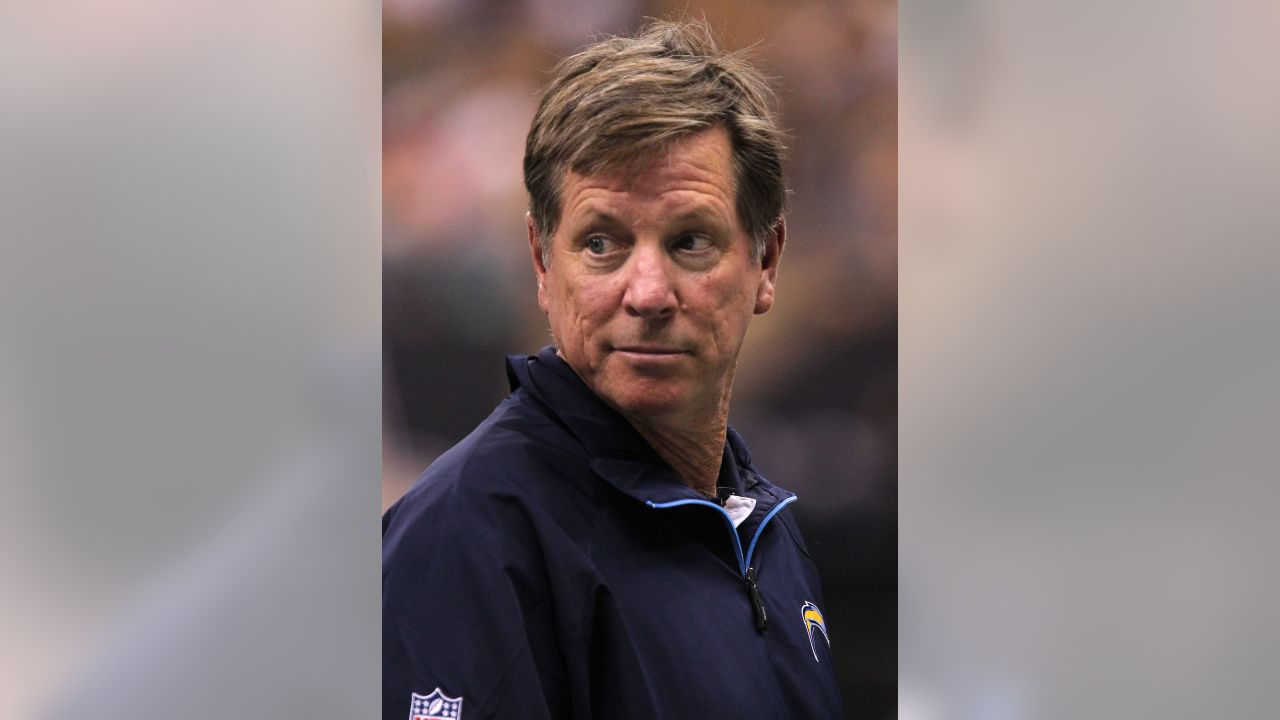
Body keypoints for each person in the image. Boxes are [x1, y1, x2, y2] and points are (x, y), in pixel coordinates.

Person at [383, 19, 842, 719]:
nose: (648, 292)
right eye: (602, 243)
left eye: (690, 241)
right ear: (542, 262)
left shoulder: (763, 528)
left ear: (766, 261)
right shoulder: (465, 539)